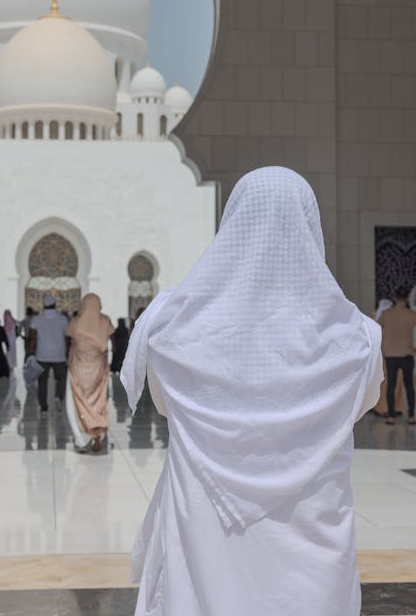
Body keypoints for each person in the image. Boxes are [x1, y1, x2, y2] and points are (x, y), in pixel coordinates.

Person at [121, 167, 383, 616]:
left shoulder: (170, 331)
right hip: (313, 539)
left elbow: (166, 405)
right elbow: (362, 405)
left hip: (205, 535)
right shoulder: (357, 338)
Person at [66, 294, 114, 453]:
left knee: (74, 403)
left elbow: (69, 341)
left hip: (77, 369)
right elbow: (110, 342)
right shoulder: (105, 321)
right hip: (98, 370)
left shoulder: (76, 321)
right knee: (98, 402)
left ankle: (80, 439)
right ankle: (96, 435)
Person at [378, 286, 416, 426]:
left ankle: (391, 417)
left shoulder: (386, 314)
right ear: (406, 299)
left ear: (394, 298)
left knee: (391, 386)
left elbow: (377, 328)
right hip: (407, 354)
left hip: (391, 355)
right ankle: (411, 416)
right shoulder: (411, 314)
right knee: (409, 386)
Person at [28, 294, 68, 413]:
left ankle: (43, 405)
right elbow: (67, 337)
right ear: (55, 305)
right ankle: (58, 397)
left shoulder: (37, 319)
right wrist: (68, 351)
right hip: (59, 354)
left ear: (43, 306)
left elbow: (32, 338)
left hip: (42, 354)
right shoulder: (63, 319)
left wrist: (30, 352)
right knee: (61, 378)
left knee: (42, 381)